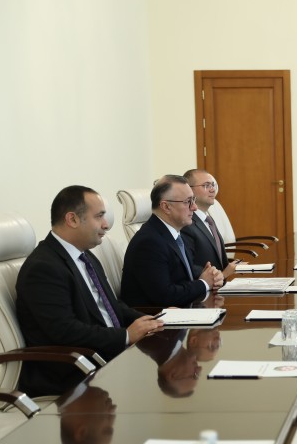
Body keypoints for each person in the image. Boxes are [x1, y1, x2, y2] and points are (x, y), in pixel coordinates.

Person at [15, 185, 164, 396]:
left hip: (106, 355)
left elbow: (111, 306)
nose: (106, 224)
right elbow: (65, 331)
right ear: (72, 219)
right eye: (99, 216)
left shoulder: (85, 256)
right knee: (164, 383)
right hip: (75, 371)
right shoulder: (43, 268)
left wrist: (152, 321)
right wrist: (125, 336)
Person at [121, 175, 224, 308]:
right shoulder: (149, 242)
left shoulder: (174, 233)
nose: (194, 207)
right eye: (188, 202)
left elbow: (183, 271)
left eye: (193, 200)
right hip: (156, 317)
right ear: (166, 207)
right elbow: (165, 296)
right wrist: (204, 283)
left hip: (182, 310)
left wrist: (211, 274)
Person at [181, 168, 239, 279]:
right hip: (204, 287)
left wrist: (232, 267)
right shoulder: (185, 224)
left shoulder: (208, 219)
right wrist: (223, 275)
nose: (212, 190)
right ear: (189, 190)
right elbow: (188, 268)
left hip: (220, 284)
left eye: (213, 185)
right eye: (206, 185)